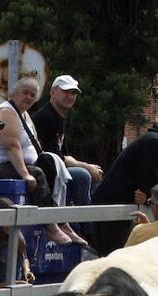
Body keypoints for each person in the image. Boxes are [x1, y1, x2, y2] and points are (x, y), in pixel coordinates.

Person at [0, 77, 81, 244]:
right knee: (36, 173)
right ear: (15, 92)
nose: (28, 97)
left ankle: (62, 220)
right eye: (25, 93)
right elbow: (12, 146)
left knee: (51, 166)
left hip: (20, 164)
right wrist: (25, 174)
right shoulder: (7, 112)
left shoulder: (25, 115)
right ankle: (52, 226)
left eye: (32, 95)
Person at [91, 113, 158, 256]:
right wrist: (151, 195)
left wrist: (149, 195)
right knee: (112, 261)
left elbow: (152, 189)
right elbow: (150, 186)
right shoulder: (155, 142)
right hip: (112, 209)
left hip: (122, 210)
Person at [30, 74, 104, 214]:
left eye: (74, 93)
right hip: (44, 170)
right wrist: (86, 166)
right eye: (65, 92)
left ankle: (91, 221)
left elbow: (64, 154)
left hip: (56, 167)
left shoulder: (59, 118)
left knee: (93, 174)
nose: (70, 96)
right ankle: (85, 224)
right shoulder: (47, 118)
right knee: (83, 175)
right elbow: (55, 157)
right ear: (52, 92)